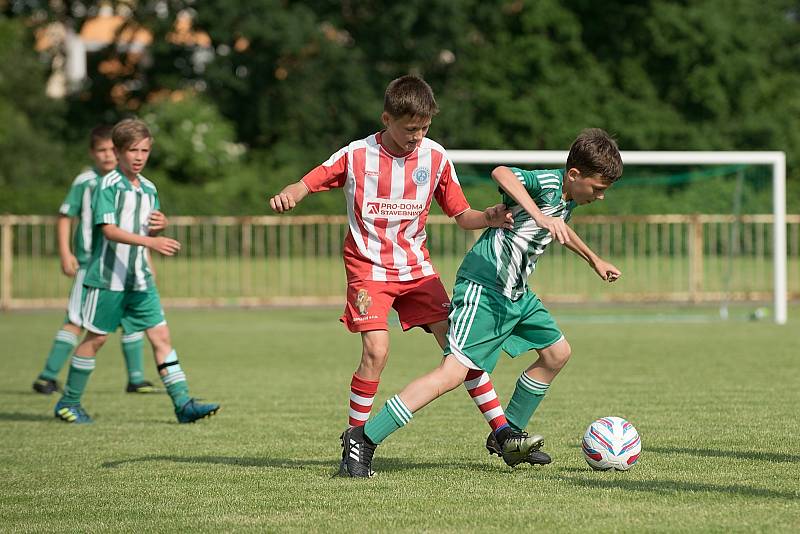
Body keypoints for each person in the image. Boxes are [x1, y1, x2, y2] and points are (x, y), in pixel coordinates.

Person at [268, 75, 532, 471]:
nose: (418, 137)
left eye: (424, 128)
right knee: (376, 350)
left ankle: (502, 433)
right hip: (368, 269)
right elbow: (308, 182)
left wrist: (490, 217)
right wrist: (292, 193)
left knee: (459, 349)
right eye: (410, 129)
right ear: (386, 118)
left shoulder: (436, 157)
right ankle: (355, 443)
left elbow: (462, 215)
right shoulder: (356, 155)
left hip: (417, 271)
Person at [339, 128, 624, 477]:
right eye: (597, 189)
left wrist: (594, 259)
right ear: (574, 175)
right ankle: (364, 437)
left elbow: (559, 228)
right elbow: (501, 173)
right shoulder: (548, 183)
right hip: (484, 288)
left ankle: (508, 435)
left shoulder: (564, 201)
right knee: (452, 373)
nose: (600, 197)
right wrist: (537, 214)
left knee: (557, 353)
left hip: (517, 295)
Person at [53, 118, 220, 424]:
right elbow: (109, 230)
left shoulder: (148, 188)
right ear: (117, 152)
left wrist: (161, 224)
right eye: (132, 150)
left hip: (140, 279)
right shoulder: (107, 185)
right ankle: (68, 402)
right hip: (108, 279)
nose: (139, 156)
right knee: (97, 339)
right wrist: (151, 241)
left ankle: (183, 403)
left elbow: (147, 222)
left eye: (144, 150)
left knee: (161, 337)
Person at [32, 126, 154, 395]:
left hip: (124, 265)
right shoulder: (86, 181)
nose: (108, 155)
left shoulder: (134, 184)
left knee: (131, 319)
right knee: (76, 319)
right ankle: (48, 375)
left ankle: (136, 378)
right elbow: (66, 216)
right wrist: (66, 253)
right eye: (102, 150)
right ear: (92, 153)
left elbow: (137, 228)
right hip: (92, 264)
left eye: (112, 149)